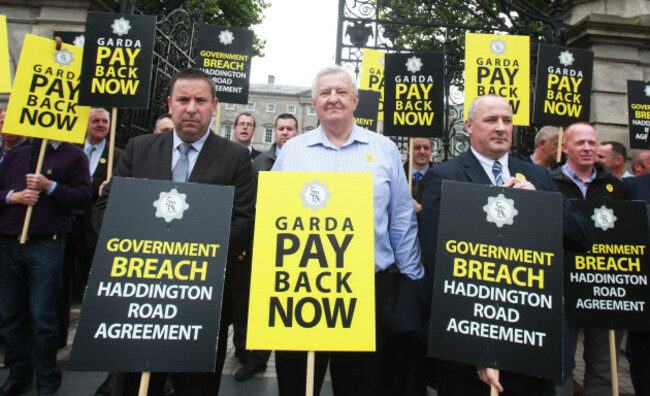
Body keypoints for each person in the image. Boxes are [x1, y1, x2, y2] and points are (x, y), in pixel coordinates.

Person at [93, 68, 256, 396]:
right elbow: (104, 213)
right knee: (134, 384)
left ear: (214, 105)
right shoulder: (139, 149)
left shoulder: (236, 157)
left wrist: (186, 249)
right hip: (138, 297)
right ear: (170, 104)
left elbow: (244, 222)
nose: (192, 108)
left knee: (194, 387)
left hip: (201, 301)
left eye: (200, 100)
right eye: (183, 99)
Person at [420, 95, 593, 396]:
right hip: (469, 354)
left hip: (531, 345)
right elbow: (435, 263)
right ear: (470, 126)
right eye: (491, 120)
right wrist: (473, 349)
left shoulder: (538, 175)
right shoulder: (444, 177)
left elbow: (582, 238)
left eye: (507, 121)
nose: (501, 127)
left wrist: (539, 203)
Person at [271, 65, 426, 396]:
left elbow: (401, 217)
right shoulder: (292, 152)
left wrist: (410, 281)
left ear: (355, 100)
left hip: (369, 290)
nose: (333, 99)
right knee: (299, 384)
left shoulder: (384, 149)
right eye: (325, 93)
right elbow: (271, 213)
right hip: (302, 289)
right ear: (314, 103)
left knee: (361, 385)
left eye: (341, 92)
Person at [0, 138, 92, 396]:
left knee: (42, 317)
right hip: (9, 241)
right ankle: (19, 373)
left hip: (46, 245)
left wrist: (49, 187)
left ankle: (47, 380)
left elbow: (83, 197)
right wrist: (12, 197)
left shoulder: (73, 156)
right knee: (10, 316)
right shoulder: (17, 154)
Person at [550, 122, 625, 396]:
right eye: (580, 142)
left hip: (603, 284)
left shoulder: (616, 187)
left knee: (606, 365)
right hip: (562, 286)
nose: (586, 148)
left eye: (592, 143)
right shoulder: (548, 181)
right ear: (565, 146)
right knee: (559, 363)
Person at [232, 113, 301, 383]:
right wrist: (244, 242)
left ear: (297, 132)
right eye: (280, 128)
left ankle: (276, 356)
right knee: (255, 302)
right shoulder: (259, 162)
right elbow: (247, 205)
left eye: (289, 129)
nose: (284, 133)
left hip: (294, 245)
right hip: (260, 242)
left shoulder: (305, 160)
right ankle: (253, 356)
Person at [403, 137, 433, 215]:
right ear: (408, 150)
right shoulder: (398, 176)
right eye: (417, 148)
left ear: (431, 151)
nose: (422, 151)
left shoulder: (439, 178)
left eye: (426, 148)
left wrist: (420, 209)